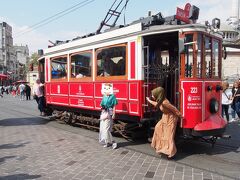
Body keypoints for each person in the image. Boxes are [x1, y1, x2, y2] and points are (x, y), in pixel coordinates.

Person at [146, 87, 183, 159]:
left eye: (154, 94)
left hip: (171, 118)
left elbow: (174, 109)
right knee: (158, 128)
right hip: (165, 117)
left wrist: (181, 116)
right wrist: (149, 100)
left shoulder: (165, 102)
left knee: (169, 135)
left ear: (158, 94)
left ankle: (171, 153)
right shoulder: (160, 100)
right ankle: (160, 147)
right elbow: (156, 104)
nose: (152, 96)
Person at [99, 83, 118, 149]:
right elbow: (101, 104)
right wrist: (102, 107)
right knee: (103, 129)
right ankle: (107, 142)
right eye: (105, 88)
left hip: (109, 113)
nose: (107, 90)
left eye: (108, 88)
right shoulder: (104, 96)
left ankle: (113, 142)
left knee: (107, 129)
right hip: (104, 113)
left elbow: (114, 106)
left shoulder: (112, 96)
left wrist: (114, 114)